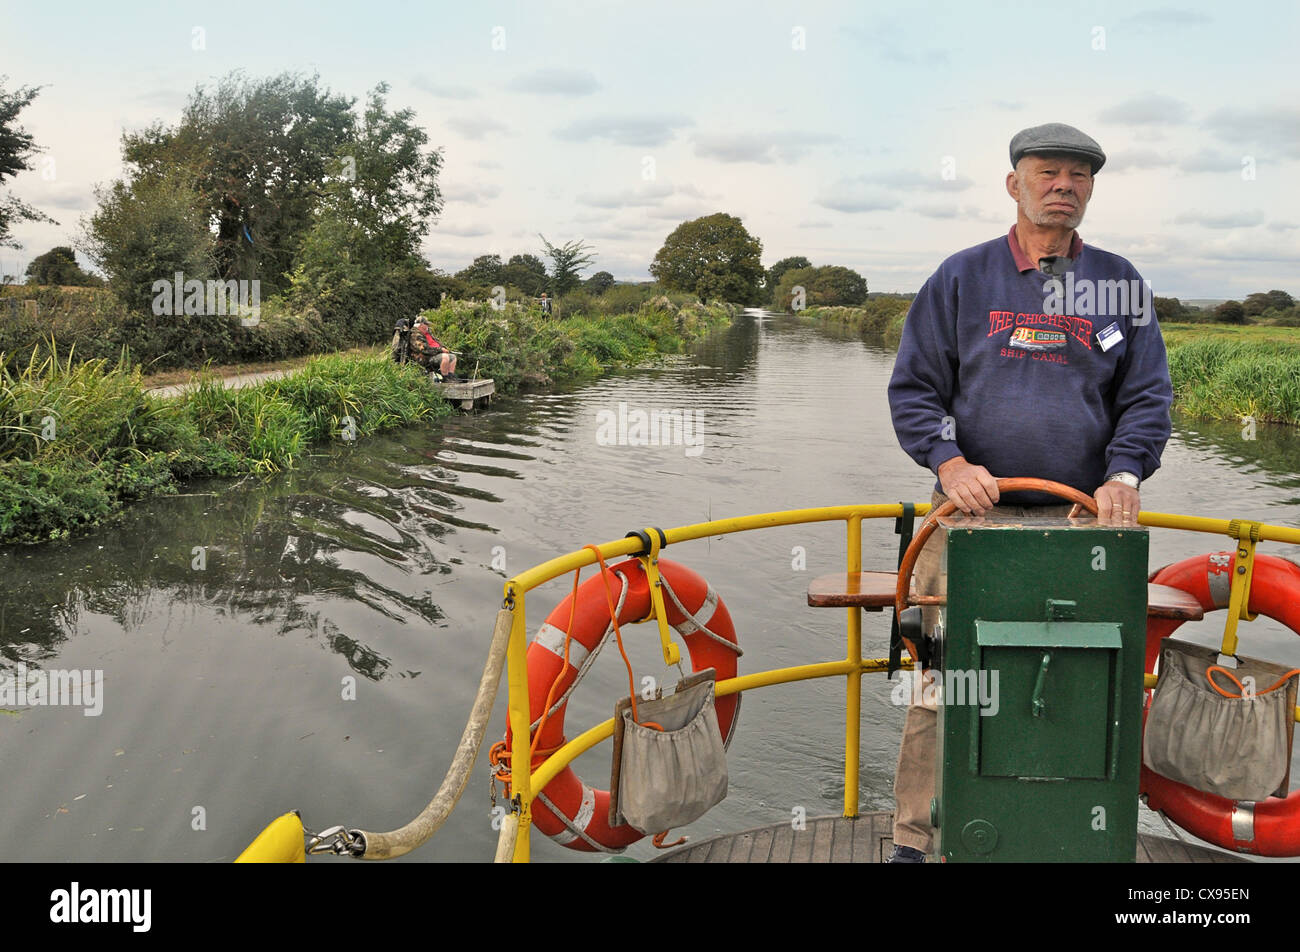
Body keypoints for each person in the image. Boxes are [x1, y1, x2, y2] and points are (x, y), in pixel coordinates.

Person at [884, 122, 1173, 862]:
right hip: (967, 521)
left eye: (1079, 176)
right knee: (947, 686)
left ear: (1091, 191)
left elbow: (1147, 400)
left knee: (1077, 679)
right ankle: (917, 839)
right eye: (1048, 173)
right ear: (1014, 184)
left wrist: (1124, 474)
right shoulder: (961, 277)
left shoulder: (1120, 283)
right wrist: (948, 463)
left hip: (1082, 525)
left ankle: (1065, 832)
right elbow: (916, 392)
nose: (1064, 187)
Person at [408, 315, 458, 380]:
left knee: (453, 357)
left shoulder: (427, 333)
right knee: (445, 357)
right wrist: (440, 350)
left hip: (433, 354)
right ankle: (445, 378)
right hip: (424, 357)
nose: (427, 326)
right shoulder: (415, 335)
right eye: (425, 324)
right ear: (420, 325)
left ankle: (451, 376)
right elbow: (424, 350)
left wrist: (444, 348)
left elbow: (437, 342)